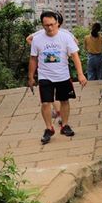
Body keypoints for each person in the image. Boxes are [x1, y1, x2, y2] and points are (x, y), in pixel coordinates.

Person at [28, 10, 87, 144]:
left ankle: (64, 125)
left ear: (57, 23)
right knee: (45, 103)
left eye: (52, 24)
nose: (49, 28)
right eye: (46, 25)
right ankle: (49, 128)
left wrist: (80, 74)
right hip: (45, 76)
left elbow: (75, 56)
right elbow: (33, 59)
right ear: (42, 25)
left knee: (64, 101)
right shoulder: (37, 39)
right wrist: (31, 77)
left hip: (62, 75)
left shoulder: (65, 37)